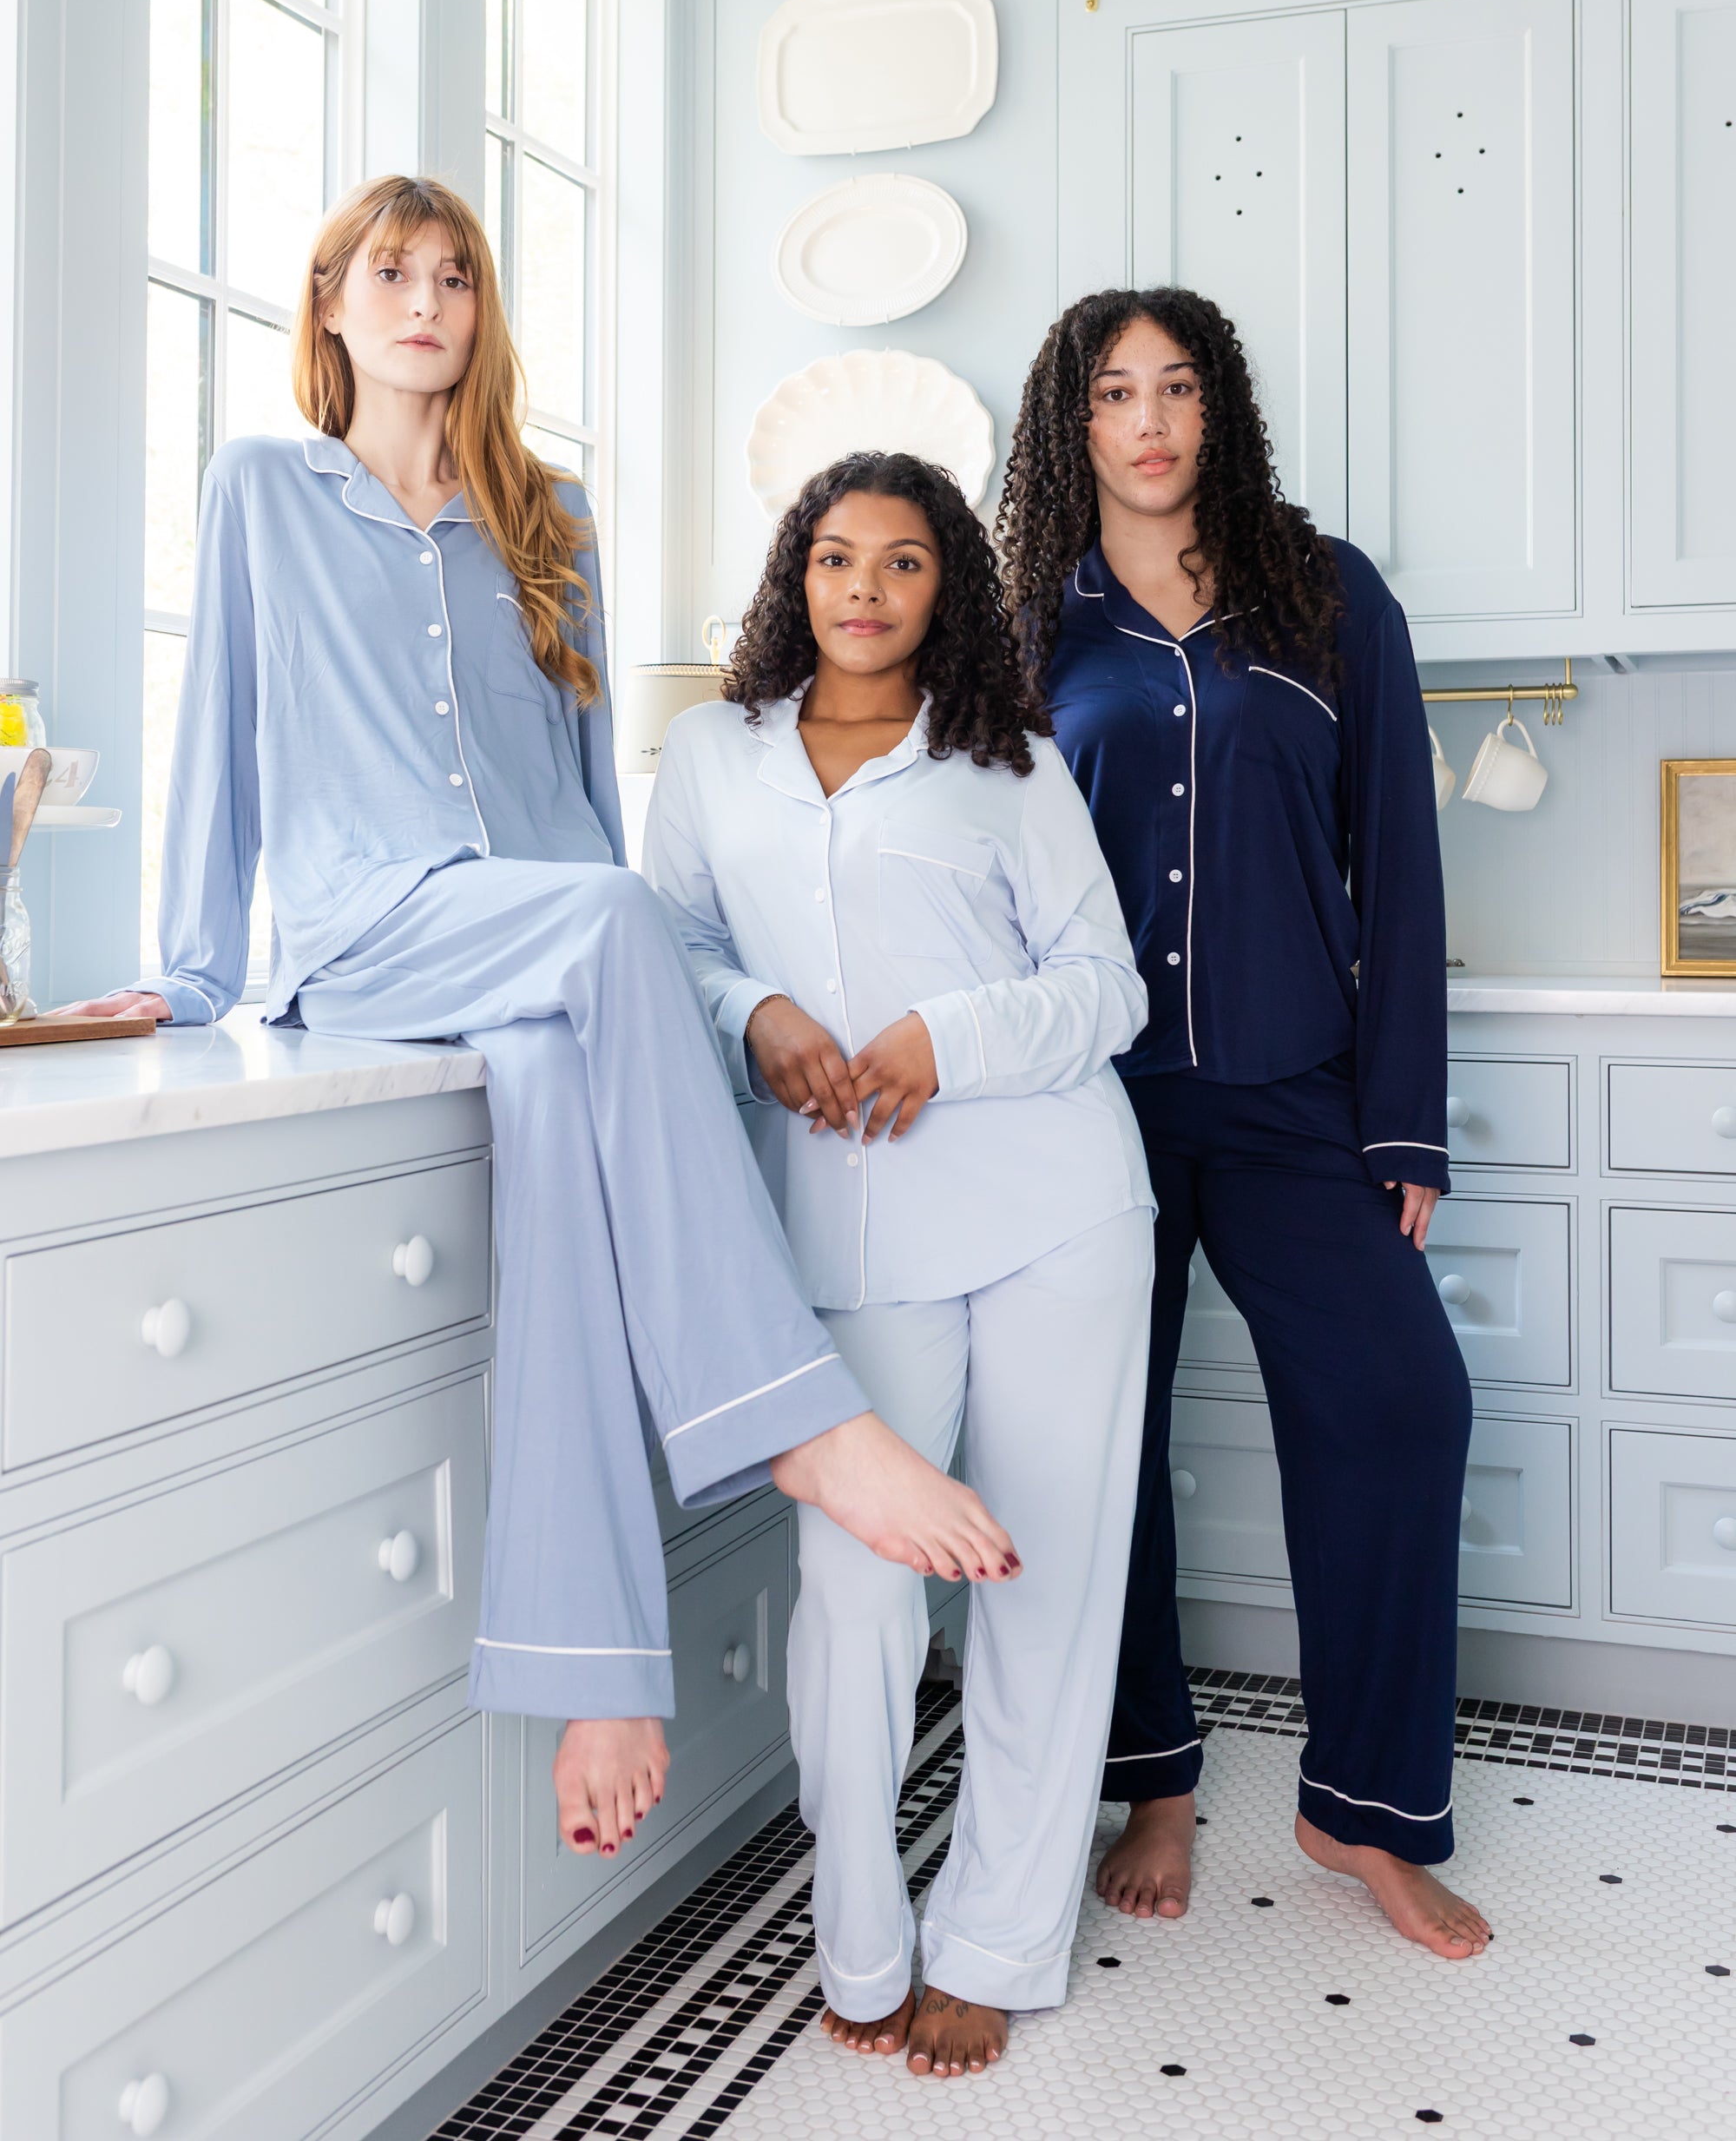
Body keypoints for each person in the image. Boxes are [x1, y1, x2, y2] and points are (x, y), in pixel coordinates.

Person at [69, 176, 1021, 1866]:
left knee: (567, 1190)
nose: (425, 298)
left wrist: (620, 1004)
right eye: (391, 272)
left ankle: (599, 1672)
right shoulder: (260, 493)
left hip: (537, 945)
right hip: (371, 930)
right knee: (604, 923)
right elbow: (214, 731)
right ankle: (798, 1422)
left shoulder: (553, 524)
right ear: (332, 303)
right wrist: (201, 978)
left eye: (456, 275)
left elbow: (585, 814)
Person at [643, 452, 1155, 2079]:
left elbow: (1109, 989)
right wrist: (756, 1015)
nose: (865, 589)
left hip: (1059, 1207)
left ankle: (997, 1939)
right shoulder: (709, 754)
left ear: (951, 590)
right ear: (795, 572)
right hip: (852, 1232)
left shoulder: (1005, 760)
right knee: (856, 1603)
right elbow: (666, 944)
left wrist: (946, 1035)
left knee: (1044, 1589)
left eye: (906, 563)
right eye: (836, 557)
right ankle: (858, 1934)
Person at [996, 288, 1489, 1962]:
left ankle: (1363, 1808)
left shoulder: (1330, 598)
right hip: (1089, 1112)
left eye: (1178, 387)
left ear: (1221, 410)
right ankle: (1154, 1777)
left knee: (1403, 1398)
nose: (1148, 420)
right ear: (1073, 424)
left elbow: (1401, 871)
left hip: (1297, 1104)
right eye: (1114, 393)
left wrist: (1401, 1129)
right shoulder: (1022, 629)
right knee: (1096, 1448)